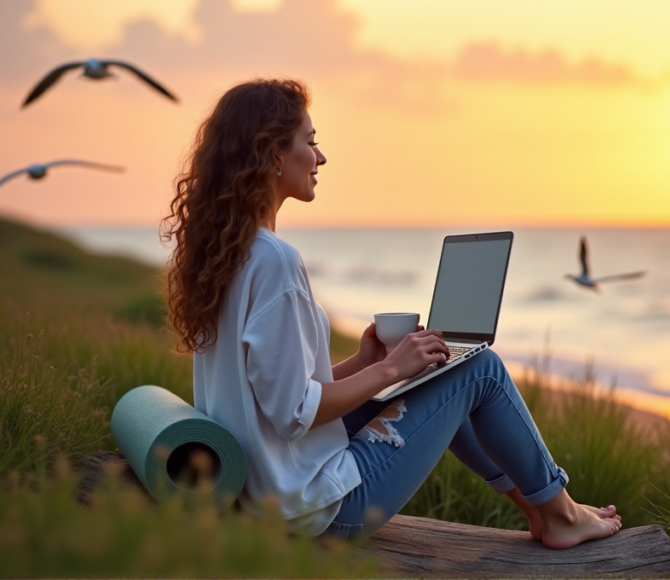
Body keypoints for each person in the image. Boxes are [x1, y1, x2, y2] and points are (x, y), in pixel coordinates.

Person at [161, 78, 622, 549]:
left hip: (264, 487)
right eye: (310, 142)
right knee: (481, 368)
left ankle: (540, 510)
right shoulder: (275, 261)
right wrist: (389, 369)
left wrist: (366, 362)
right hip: (317, 507)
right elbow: (294, 413)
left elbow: (273, 395)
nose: (321, 157)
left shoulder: (225, 257)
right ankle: (560, 514)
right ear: (272, 153)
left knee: (442, 369)